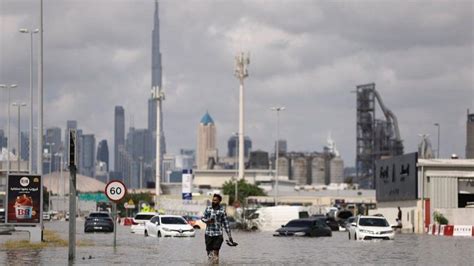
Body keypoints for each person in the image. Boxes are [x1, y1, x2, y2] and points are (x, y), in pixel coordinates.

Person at [201, 194, 233, 264]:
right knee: (209, 253)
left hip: (218, 234)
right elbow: (202, 218)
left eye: (215, 200)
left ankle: (215, 264)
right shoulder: (208, 208)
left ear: (219, 201)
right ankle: (210, 264)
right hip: (208, 234)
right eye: (213, 200)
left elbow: (226, 224)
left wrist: (229, 236)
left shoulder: (222, 211)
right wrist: (207, 221)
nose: (213, 201)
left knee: (216, 252)